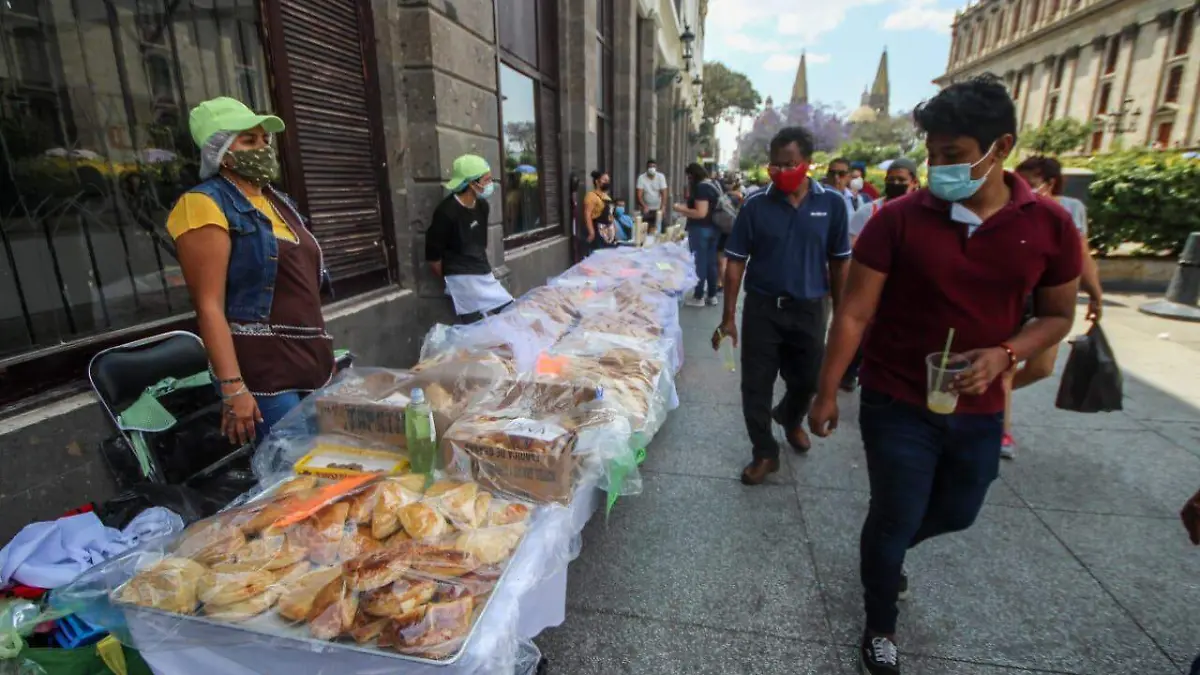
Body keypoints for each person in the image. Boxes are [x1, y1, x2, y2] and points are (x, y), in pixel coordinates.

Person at [807, 75, 1083, 675]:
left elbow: (1059, 315)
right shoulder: (899, 219)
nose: (937, 168)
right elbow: (854, 311)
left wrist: (1005, 354)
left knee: (960, 508)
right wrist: (825, 391)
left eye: (952, 156)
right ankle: (880, 623)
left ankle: (887, 550)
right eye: (931, 154)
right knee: (895, 509)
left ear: (1000, 146)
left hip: (979, 405)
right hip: (896, 396)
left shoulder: (1051, 226)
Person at [167, 96, 335, 445]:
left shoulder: (278, 202)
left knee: (326, 465)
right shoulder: (203, 205)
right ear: (221, 151)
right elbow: (209, 305)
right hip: (263, 371)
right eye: (248, 140)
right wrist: (233, 388)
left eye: (264, 140)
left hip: (308, 360)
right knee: (290, 476)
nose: (262, 148)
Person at [714, 126, 851, 485]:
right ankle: (764, 452)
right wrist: (729, 316)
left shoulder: (832, 204)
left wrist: (842, 313)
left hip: (810, 309)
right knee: (755, 386)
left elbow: (839, 261)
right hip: (763, 309)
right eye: (774, 165)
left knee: (807, 380)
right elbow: (736, 261)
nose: (780, 171)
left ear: (807, 163)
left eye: (788, 163)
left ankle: (790, 418)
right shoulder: (756, 204)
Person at [1003, 155, 1104, 458]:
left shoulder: (1069, 209)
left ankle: (989, 398)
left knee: (1042, 368)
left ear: (1050, 183)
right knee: (1006, 365)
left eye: (1031, 183)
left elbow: (1082, 256)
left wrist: (1095, 293)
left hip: (1051, 302)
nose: (1023, 188)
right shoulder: (1010, 206)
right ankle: (1001, 430)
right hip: (1015, 296)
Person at [840, 158, 920, 392]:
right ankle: (851, 370)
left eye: (901, 180)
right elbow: (851, 247)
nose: (895, 184)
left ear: (914, 182)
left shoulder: (927, 216)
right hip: (872, 287)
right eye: (891, 180)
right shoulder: (870, 211)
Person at [425, 155, 514, 324]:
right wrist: (454, 279)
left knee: (511, 311)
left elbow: (480, 243)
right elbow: (433, 257)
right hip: (461, 277)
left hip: (482, 271)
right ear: (472, 184)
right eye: (487, 180)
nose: (491, 184)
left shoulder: (482, 207)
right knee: (475, 325)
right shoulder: (446, 212)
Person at [673, 163, 722, 307]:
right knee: (711, 262)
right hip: (714, 228)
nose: (688, 179)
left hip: (701, 229)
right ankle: (712, 295)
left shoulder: (701, 187)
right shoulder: (714, 184)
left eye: (689, 176)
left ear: (693, 175)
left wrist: (680, 208)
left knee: (700, 263)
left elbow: (701, 213)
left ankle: (699, 296)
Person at [582, 170, 617, 252]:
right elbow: (587, 214)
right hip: (597, 230)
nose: (607, 182)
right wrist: (591, 232)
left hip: (608, 231)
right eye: (604, 180)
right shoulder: (591, 196)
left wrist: (614, 227)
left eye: (608, 181)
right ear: (597, 181)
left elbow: (610, 214)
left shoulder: (607, 197)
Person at [636, 159, 669, 233]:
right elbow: (639, 195)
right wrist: (644, 206)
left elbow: (664, 193)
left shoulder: (661, 177)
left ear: (656, 167)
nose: (651, 168)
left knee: (662, 227)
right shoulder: (641, 178)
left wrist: (663, 206)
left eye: (653, 166)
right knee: (646, 228)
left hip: (658, 208)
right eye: (650, 167)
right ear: (646, 168)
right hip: (646, 209)